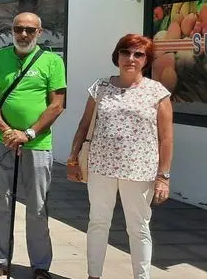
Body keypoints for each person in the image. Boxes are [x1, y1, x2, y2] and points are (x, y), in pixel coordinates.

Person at [67, 34, 173, 279]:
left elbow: (166, 138)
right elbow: (84, 126)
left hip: (139, 170)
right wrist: (73, 159)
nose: (131, 59)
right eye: (126, 53)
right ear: (117, 56)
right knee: (98, 223)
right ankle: (93, 275)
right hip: (101, 167)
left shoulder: (157, 93)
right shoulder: (101, 87)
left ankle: (142, 277)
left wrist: (163, 177)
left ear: (146, 60)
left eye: (139, 54)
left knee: (138, 228)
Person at [0, 12, 66, 279]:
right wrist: (7, 131)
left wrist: (27, 133)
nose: (24, 34)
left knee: (38, 207)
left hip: (37, 144)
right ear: (13, 30)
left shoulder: (52, 61)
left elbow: (56, 104)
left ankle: (40, 266)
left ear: (39, 32)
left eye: (30, 29)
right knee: (2, 203)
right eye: (19, 29)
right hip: (2, 142)